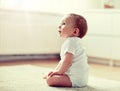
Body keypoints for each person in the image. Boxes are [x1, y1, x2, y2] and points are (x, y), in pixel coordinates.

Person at [44, 13, 89, 87]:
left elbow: (67, 62)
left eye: (63, 23)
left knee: (50, 80)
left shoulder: (71, 42)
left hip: (75, 79)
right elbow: (62, 62)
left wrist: (59, 72)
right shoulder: (73, 42)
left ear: (75, 31)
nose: (59, 26)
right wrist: (55, 71)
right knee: (52, 76)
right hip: (80, 78)